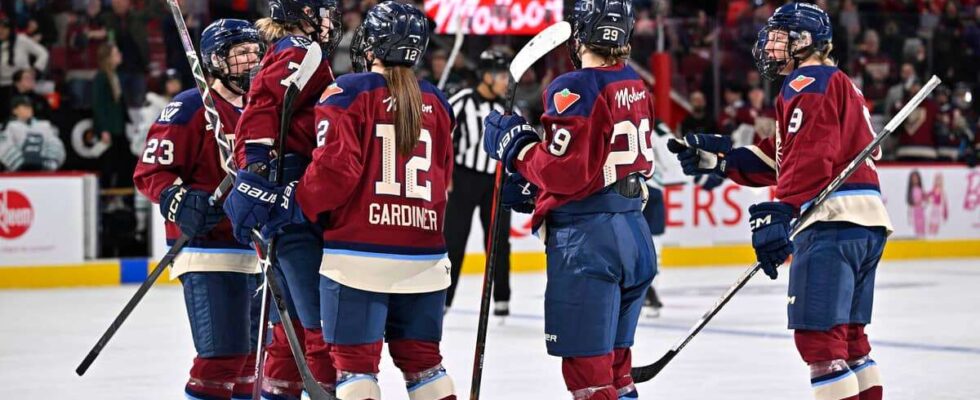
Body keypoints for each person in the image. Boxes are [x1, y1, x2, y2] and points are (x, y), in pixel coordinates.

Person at [225, 2, 457, 399]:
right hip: (425, 257)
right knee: (426, 366)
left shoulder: (347, 91)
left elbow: (334, 173)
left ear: (370, 44)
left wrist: (287, 200)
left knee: (353, 373)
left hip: (357, 255)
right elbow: (444, 182)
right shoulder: (437, 102)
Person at [669, 3, 889, 399]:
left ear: (804, 42)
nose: (769, 47)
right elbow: (781, 156)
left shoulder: (808, 81)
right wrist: (720, 161)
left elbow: (809, 157)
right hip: (866, 222)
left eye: (779, 38)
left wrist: (783, 208)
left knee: (820, 345)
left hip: (831, 221)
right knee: (851, 343)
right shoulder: (836, 82)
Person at [482, 0, 656, 398]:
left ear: (580, 36)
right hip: (633, 232)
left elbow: (565, 171)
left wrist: (517, 147)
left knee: (589, 379)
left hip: (588, 241)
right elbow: (594, 163)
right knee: (617, 369)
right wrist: (537, 188)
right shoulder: (633, 83)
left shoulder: (574, 85)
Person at [133, 19, 266, 400]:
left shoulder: (263, 110)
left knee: (250, 367)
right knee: (220, 360)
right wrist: (179, 200)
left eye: (256, 52)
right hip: (210, 250)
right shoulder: (191, 106)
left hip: (259, 252)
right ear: (214, 61)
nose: (252, 61)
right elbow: (150, 171)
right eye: (240, 54)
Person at [226, 1, 341, 397]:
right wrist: (255, 169)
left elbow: (262, 105)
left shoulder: (287, 48)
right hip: (290, 187)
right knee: (317, 322)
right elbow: (264, 107)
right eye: (323, 12)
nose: (329, 21)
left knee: (286, 321)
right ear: (303, 12)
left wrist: (253, 172)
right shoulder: (301, 48)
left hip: (279, 182)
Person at [443, 48, 519, 316]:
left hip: (496, 182)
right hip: (463, 179)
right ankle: (445, 299)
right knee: (454, 240)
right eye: (501, 76)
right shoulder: (462, 101)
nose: (506, 83)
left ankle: (502, 299)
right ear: (487, 76)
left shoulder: (508, 108)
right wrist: (446, 173)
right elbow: (442, 136)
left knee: (498, 241)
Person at [0, 96, 64, 172]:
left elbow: (55, 144)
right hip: (15, 175)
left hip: (43, 172)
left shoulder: (44, 125)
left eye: (30, 106)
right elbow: (3, 146)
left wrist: (50, 163)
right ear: (14, 110)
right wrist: (19, 164)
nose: (29, 109)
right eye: (24, 106)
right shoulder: (7, 127)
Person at [0, 15, 48, 97]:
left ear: (11, 30)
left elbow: (43, 53)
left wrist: (35, 70)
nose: (1, 31)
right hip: (3, 86)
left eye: (4, 28)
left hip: (22, 86)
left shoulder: (21, 40)